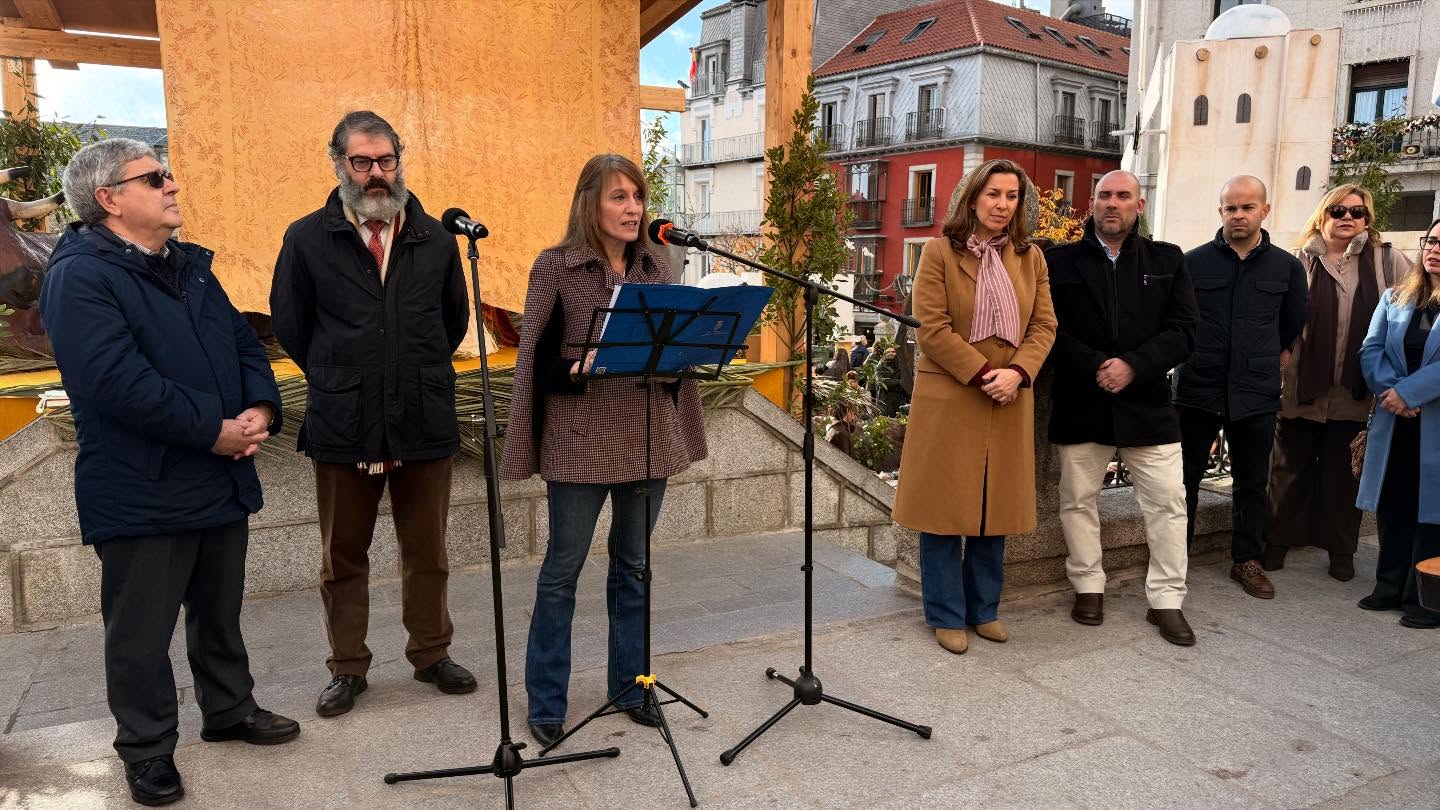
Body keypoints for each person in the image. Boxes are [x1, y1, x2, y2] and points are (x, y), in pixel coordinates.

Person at [41, 138, 299, 806]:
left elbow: (245, 342)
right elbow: (115, 383)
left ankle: (229, 709)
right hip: (141, 484)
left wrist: (258, 408)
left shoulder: (190, 266)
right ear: (109, 198)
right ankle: (148, 748)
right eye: (155, 178)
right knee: (141, 629)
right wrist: (211, 430)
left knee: (220, 610)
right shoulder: (81, 276)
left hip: (216, 476)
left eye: (169, 174)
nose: (173, 185)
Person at [270, 111, 476, 718]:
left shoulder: (436, 240)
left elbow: (452, 322)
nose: (377, 173)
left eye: (386, 160)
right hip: (344, 420)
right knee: (343, 556)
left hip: (421, 415)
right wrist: (346, 375)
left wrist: (404, 370)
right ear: (338, 163)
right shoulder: (306, 238)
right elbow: (292, 325)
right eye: (362, 162)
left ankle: (432, 653)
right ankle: (348, 666)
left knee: (428, 550)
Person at [501, 154, 707, 746]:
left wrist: (678, 362)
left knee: (634, 567)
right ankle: (546, 700)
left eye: (637, 198)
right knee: (561, 571)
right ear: (589, 202)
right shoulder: (557, 266)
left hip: (646, 439)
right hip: (581, 441)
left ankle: (632, 685)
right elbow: (535, 360)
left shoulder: (654, 265)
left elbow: (672, 359)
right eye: (619, 197)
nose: (633, 209)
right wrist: (577, 366)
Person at [893, 159, 1057, 655]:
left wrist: (1019, 373)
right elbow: (932, 327)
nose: (1002, 204)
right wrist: (988, 373)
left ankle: (983, 608)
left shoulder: (1031, 259)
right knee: (944, 509)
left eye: (1011, 196)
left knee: (995, 508)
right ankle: (944, 613)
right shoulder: (940, 253)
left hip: (1009, 396)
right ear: (971, 198)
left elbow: (1044, 326)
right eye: (993, 194)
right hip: (952, 394)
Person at [1046, 171, 1199, 646]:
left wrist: (1134, 365)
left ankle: (1167, 600)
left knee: (1169, 505)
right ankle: (1088, 586)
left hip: (1148, 405)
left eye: (1123, 196)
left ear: (1139, 203)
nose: (1113, 204)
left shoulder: (1167, 259)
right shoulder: (1059, 261)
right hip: (1081, 402)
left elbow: (1185, 331)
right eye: (1105, 196)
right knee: (1076, 501)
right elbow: (1047, 328)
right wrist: (1097, 365)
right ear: (1091, 203)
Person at [1266, 185, 1411, 580]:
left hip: (1358, 387)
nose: (1348, 218)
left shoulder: (1387, 261)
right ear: (1322, 214)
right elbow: (1274, 315)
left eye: (1358, 212)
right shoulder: (1296, 260)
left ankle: (1340, 550)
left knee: (1343, 474)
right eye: (1338, 210)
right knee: (1287, 468)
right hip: (1299, 386)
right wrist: (1281, 354)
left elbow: (1412, 310)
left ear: (1368, 219)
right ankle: (1277, 541)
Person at [1176, 176, 1307, 599]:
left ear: (1264, 210)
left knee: (1251, 481)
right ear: (1220, 213)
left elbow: (1292, 324)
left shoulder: (1287, 267)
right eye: (1230, 208)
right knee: (1183, 480)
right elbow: (1177, 322)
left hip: (1255, 392)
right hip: (1198, 389)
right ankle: (1173, 560)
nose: (1238, 215)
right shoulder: (1192, 263)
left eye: (1247, 207)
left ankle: (1246, 560)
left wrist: (1274, 357)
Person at [1355, 218, 1440, 629]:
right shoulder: (1395, 297)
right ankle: (1389, 586)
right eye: (1431, 240)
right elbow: (1371, 349)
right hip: (1396, 421)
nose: (1434, 249)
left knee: (1432, 513)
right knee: (1394, 504)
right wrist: (1393, 393)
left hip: (1433, 422)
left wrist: (1410, 393)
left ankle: (1426, 599)